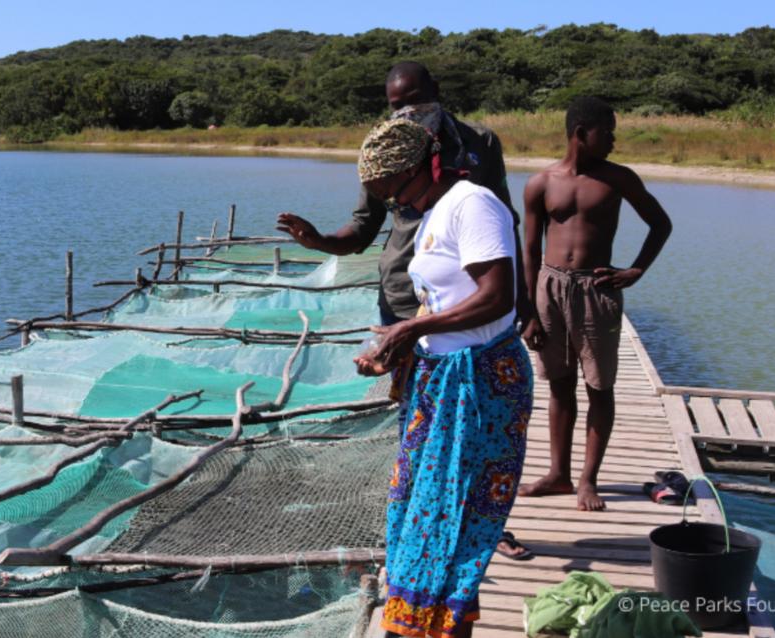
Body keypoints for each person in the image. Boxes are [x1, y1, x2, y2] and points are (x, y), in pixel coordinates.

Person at [276, 60, 533, 561]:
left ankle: (479, 524)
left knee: (473, 429)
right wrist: (320, 242)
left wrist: (522, 298)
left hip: (468, 307)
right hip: (403, 296)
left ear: (436, 92)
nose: (407, 111)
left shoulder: (477, 150)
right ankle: (423, 519)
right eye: (396, 106)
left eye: (414, 100)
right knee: (419, 422)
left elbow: (504, 225)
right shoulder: (387, 151)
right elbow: (363, 228)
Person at [350, 117, 533, 638]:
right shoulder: (431, 212)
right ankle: (414, 624)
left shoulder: (472, 204)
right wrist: (402, 347)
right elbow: (445, 302)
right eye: (384, 198)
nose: (394, 205)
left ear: (424, 166)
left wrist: (414, 325)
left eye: (394, 192)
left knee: (454, 527)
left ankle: (432, 628)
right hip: (441, 379)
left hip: (481, 387)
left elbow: (499, 297)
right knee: (416, 513)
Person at [517, 97, 672, 512]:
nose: (615, 140)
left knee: (599, 385)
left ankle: (588, 480)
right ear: (582, 133)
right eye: (609, 131)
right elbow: (529, 250)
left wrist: (636, 270)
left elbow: (661, 223)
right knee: (558, 384)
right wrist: (529, 310)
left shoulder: (618, 178)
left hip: (596, 289)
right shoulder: (541, 183)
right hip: (550, 289)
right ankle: (558, 475)